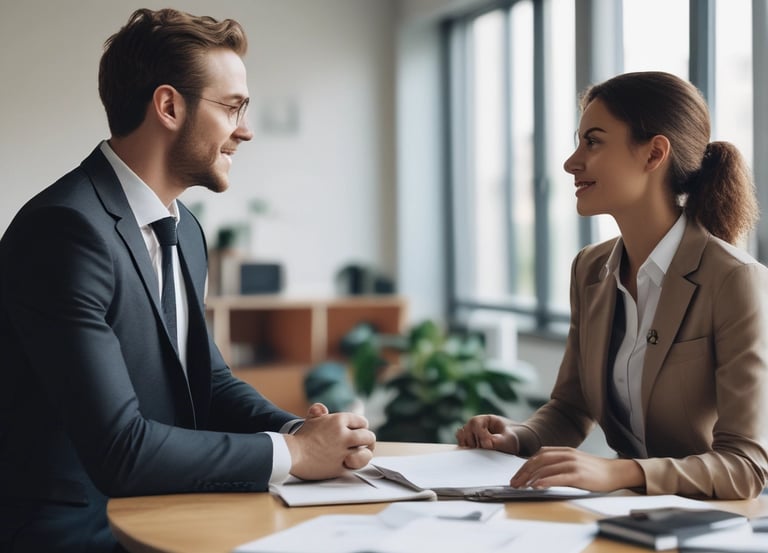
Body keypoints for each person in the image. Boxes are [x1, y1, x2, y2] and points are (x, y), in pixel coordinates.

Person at [0, 8, 375, 552]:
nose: (245, 129)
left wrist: (301, 432)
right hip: (74, 534)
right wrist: (294, 455)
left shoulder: (185, 230)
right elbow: (120, 448)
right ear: (169, 106)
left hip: (163, 510)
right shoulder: (65, 230)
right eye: (232, 107)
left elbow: (209, 382)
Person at [457, 71, 768, 500]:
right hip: (629, 515)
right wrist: (516, 436)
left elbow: (745, 467)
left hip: (716, 521)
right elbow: (571, 409)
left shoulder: (734, 279)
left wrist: (620, 472)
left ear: (654, 153)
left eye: (593, 142)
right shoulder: (589, 268)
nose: (571, 162)